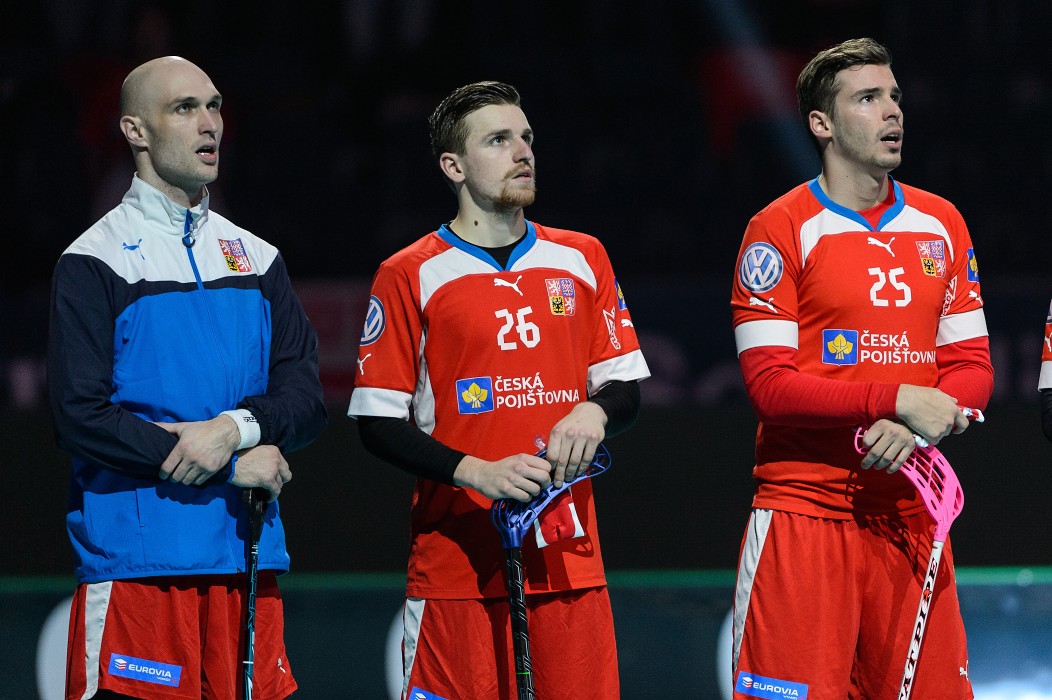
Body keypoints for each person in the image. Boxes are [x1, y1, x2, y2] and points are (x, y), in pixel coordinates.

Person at [347, 80, 650, 699]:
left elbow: (624, 386)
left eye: (527, 138)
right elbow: (376, 422)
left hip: (571, 565)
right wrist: (476, 473)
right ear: (453, 166)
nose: (522, 152)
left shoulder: (582, 256)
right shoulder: (409, 272)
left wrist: (595, 411)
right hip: (456, 572)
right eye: (499, 139)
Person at [47, 56, 327, 700]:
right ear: (134, 131)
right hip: (138, 573)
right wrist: (229, 464)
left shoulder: (259, 258)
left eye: (215, 106)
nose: (210, 125)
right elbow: (79, 415)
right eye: (184, 108)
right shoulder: (92, 261)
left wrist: (232, 430)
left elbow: (305, 399)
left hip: (248, 564)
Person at [729, 38, 993, 699]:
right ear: (822, 123)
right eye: (869, 99)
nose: (892, 113)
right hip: (804, 516)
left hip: (911, 520)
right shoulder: (778, 228)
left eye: (895, 97)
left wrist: (917, 425)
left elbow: (971, 368)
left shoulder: (943, 224)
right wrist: (899, 398)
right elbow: (769, 386)